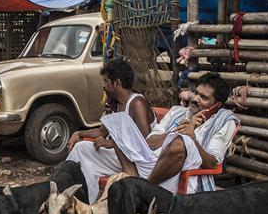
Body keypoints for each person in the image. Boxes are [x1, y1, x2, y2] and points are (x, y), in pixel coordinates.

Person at [110, 72, 238, 194]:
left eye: (203, 97)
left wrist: (191, 137)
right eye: (195, 93)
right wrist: (180, 130)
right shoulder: (177, 112)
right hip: (146, 163)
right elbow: (150, 142)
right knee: (118, 123)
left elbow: (211, 164)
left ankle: (143, 188)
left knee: (182, 143)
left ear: (216, 105)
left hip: (176, 174)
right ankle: (133, 178)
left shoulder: (224, 122)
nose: (195, 99)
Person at [66, 59, 156, 203]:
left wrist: (113, 144)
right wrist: (79, 134)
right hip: (119, 155)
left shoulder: (136, 103)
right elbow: (102, 132)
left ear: (117, 83)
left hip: (137, 161)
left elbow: (145, 142)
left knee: (84, 157)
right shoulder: (117, 104)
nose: (103, 85)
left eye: (106, 81)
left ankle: (81, 199)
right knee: (81, 150)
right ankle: (81, 199)